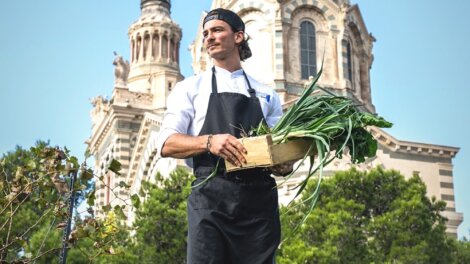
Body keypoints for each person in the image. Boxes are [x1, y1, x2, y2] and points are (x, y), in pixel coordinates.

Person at [157, 8, 293, 264]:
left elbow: (280, 150)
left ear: (239, 36)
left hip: (258, 209)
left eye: (217, 30)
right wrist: (209, 141)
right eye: (206, 33)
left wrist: (285, 164)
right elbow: (166, 143)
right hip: (210, 203)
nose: (209, 37)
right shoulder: (190, 88)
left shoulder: (267, 95)